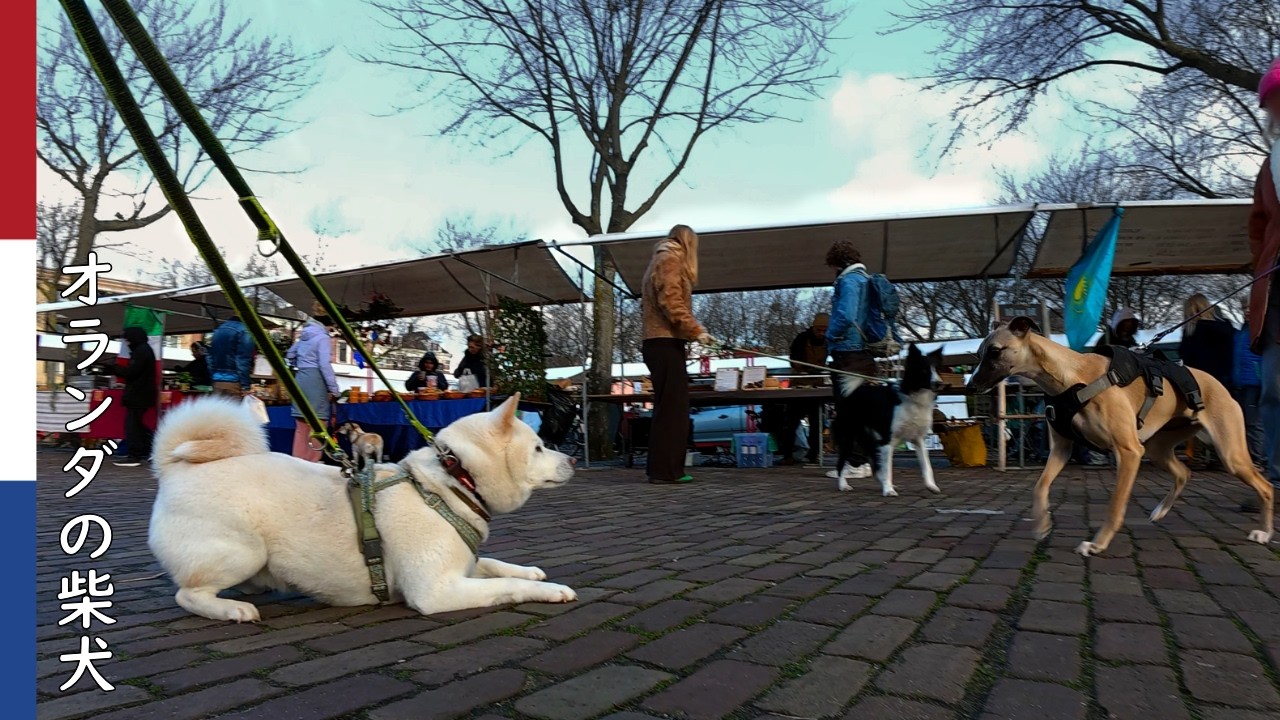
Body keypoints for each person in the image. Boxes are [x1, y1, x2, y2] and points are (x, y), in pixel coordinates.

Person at [641, 224, 713, 485]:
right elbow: (670, 300)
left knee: (667, 409)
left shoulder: (661, 257)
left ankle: (662, 470)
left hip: (661, 342)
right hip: (664, 341)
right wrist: (696, 330)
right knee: (673, 410)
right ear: (687, 242)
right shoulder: (670, 259)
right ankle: (668, 471)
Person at [1247, 57, 1280, 503]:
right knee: (1273, 387)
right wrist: (1264, 263)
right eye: (1272, 103)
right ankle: (1275, 475)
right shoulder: (1269, 166)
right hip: (1276, 290)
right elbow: (1257, 224)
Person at [825, 240, 877, 479]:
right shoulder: (866, 279)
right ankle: (863, 461)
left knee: (847, 409)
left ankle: (854, 463)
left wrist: (830, 335)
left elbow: (845, 314)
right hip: (864, 350)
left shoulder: (848, 281)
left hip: (847, 350)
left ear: (839, 262)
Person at [1178, 294, 1236, 468]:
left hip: (1199, 380)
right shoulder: (1225, 327)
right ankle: (1222, 457)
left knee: (1196, 418)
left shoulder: (1192, 330)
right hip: (1222, 380)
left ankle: (1197, 455)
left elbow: (1185, 354)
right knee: (1221, 419)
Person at [286, 305, 340, 461]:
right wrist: (334, 389)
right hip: (315, 381)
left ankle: (297, 461)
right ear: (327, 325)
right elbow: (324, 364)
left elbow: (290, 354)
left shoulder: (304, 336)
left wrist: (300, 362)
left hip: (300, 379)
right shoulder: (323, 338)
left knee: (301, 426)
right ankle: (313, 463)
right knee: (318, 425)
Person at [776, 313, 828, 465]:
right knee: (791, 422)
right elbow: (794, 360)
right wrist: (805, 368)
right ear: (813, 327)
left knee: (816, 422)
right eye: (819, 330)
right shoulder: (801, 339)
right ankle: (787, 455)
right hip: (800, 384)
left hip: (816, 386)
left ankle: (814, 454)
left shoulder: (829, 341)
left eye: (825, 330)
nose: (821, 333)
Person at [112, 326, 157, 467]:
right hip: (141, 394)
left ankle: (135, 455)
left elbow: (132, 372)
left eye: (127, 338)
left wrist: (114, 368)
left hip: (139, 394)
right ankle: (150, 448)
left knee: (133, 426)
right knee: (137, 425)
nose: (126, 341)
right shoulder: (144, 350)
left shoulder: (141, 351)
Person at [1233, 307, 1266, 469]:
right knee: (1246, 421)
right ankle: (1251, 456)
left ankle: (1257, 458)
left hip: (1254, 381)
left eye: (1250, 308)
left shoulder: (1259, 330)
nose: (1247, 311)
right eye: (1245, 308)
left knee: (1254, 422)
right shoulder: (1242, 330)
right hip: (1242, 382)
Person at [208, 316, 256, 396]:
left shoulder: (218, 330)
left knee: (218, 408)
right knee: (233, 407)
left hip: (217, 381)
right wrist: (245, 386)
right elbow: (242, 360)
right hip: (234, 382)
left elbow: (210, 357)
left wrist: (213, 376)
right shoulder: (244, 330)